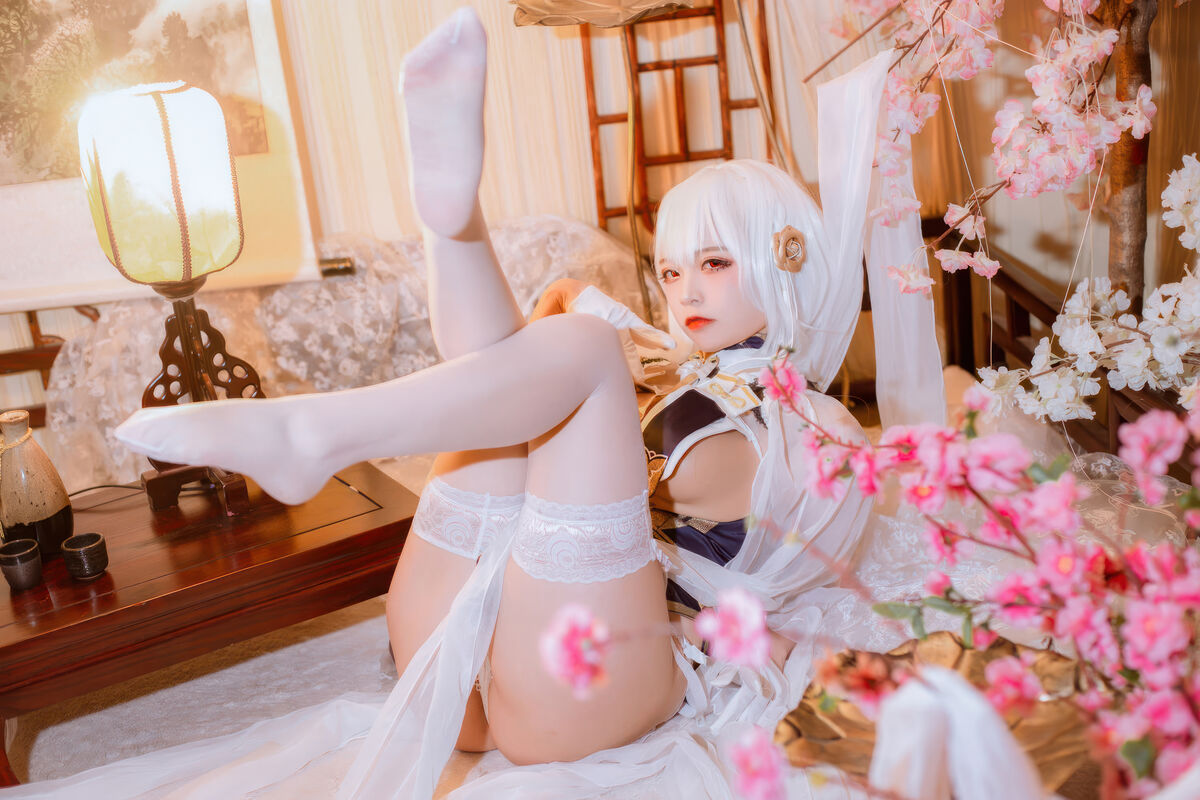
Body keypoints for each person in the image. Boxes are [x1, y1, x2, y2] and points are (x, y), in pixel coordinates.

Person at [103, 8, 912, 799]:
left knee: (572, 354)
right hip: (462, 651)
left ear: (787, 262)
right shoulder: (669, 376)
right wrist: (593, 356)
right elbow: (537, 410)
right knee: (521, 381)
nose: (685, 292)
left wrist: (599, 358)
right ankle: (453, 226)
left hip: (594, 676)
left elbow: (701, 495)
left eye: (715, 263)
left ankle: (322, 425)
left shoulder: (806, 430)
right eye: (670, 271)